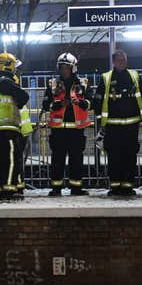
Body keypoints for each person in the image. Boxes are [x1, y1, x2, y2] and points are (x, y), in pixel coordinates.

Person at [93, 50, 142, 196]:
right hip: (112, 126)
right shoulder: (106, 78)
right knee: (114, 156)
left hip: (131, 125)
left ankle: (128, 186)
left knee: (130, 156)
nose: (121, 62)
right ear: (113, 62)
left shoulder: (134, 76)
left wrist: (138, 114)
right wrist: (100, 122)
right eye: (118, 60)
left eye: (124, 59)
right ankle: (115, 186)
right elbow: (97, 101)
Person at [42, 52, 92, 196]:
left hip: (76, 130)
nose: (64, 70)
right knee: (57, 160)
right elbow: (46, 104)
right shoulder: (53, 84)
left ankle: (76, 188)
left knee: (76, 160)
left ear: (73, 68)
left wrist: (81, 103)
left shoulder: (82, 84)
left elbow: (92, 102)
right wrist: (58, 105)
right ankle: (56, 188)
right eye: (62, 67)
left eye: (67, 67)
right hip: (58, 131)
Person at [0, 52, 29, 201]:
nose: (15, 70)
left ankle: (3, 189)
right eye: (14, 66)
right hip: (8, 128)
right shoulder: (5, 82)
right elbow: (24, 96)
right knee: (12, 160)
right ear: (8, 66)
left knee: (4, 160)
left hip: (1, 129)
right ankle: (8, 191)